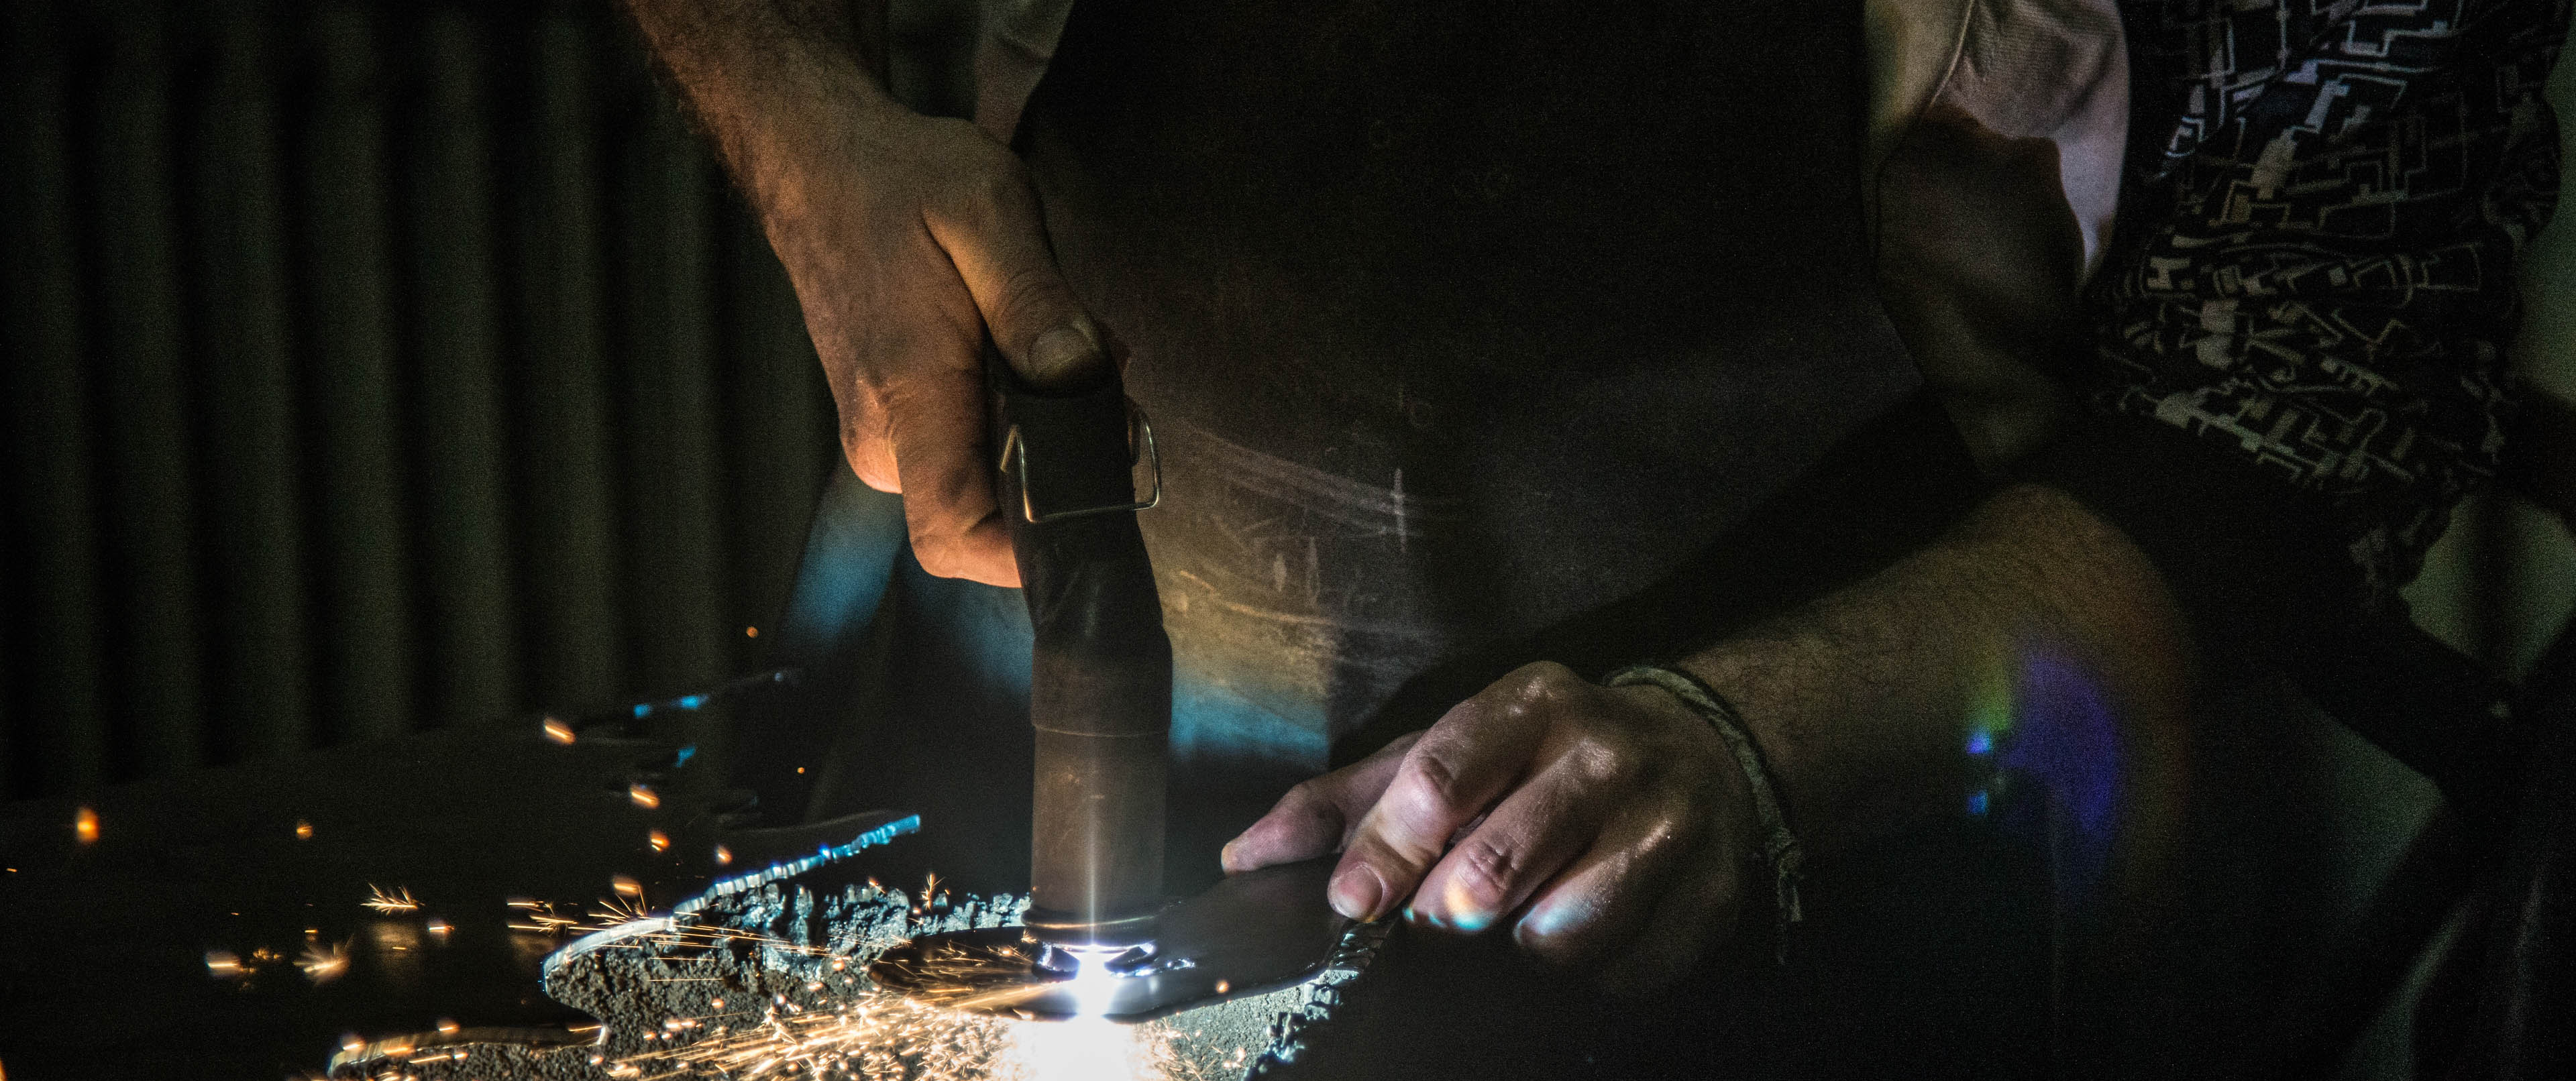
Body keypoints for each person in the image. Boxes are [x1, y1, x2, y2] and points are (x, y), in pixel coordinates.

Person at [628, 0, 2568, 994]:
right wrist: (803, 133)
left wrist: (1752, 739)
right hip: (1001, 693)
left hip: (1835, 851)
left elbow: (2303, 399)